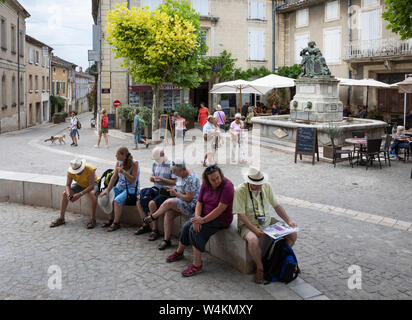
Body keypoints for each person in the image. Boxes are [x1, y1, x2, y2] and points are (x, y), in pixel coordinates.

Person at [166, 165, 235, 277]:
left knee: (195, 231)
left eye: (218, 177)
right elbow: (200, 202)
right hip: (203, 215)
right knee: (187, 225)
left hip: (221, 218)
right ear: (207, 180)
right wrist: (197, 217)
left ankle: (197, 264)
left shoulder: (228, 186)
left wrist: (202, 221)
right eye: (213, 179)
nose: (216, 181)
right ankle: (179, 252)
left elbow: (220, 209)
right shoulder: (205, 185)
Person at [233, 167, 298, 284]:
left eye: (260, 184)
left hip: (267, 221)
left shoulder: (266, 186)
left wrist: (289, 221)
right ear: (249, 182)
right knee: (253, 240)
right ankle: (260, 268)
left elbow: (277, 206)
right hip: (248, 224)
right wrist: (254, 229)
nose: (259, 186)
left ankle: (279, 259)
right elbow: (241, 214)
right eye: (256, 184)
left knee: (292, 234)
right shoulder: (240, 190)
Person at [143, 160, 201, 251]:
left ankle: (153, 217)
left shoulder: (191, 178)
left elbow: (189, 198)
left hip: (192, 205)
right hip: (183, 201)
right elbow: (179, 188)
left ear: (181, 170)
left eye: (175, 171)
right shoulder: (181, 175)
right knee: (168, 213)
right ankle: (166, 240)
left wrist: (175, 194)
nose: (173, 173)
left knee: (169, 202)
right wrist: (171, 189)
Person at [136, 147, 177, 241]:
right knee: (139, 200)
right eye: (155, 159)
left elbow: (175, 182)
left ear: (163, 155)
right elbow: (152, 175)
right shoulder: (155, 163)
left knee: (152, 203)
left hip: (166, 190)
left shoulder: (171, 164)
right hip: (156, 188)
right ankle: (145, 224)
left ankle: (155, 230)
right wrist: (152, 178)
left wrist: (162, 180)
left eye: (158, 159)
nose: (156, 161)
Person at [50, 158, 100, 229]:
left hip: (93, 184)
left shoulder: (90, 169)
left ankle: (93, 219)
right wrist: (69, 195)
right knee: (64, 194)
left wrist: (80, 194)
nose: (78, 173)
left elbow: (91, 186)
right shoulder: (70, 172)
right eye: (76, 171)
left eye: (79, 171)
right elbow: (67, 185)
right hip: (80, 184)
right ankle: (61, 218)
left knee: (92, 194)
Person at [99, 147, 140, 232]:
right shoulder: (118, 162)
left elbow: (133, 179)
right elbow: (114, 178)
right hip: (120, 186)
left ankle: (116, 223)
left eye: (117, 154)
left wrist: (124, 172)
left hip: (131, 188)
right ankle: (110, 219)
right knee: (107, 197)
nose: (115, 156)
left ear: (123, 155)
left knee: (117, 201)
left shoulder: (134, 163)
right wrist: (107, 189)